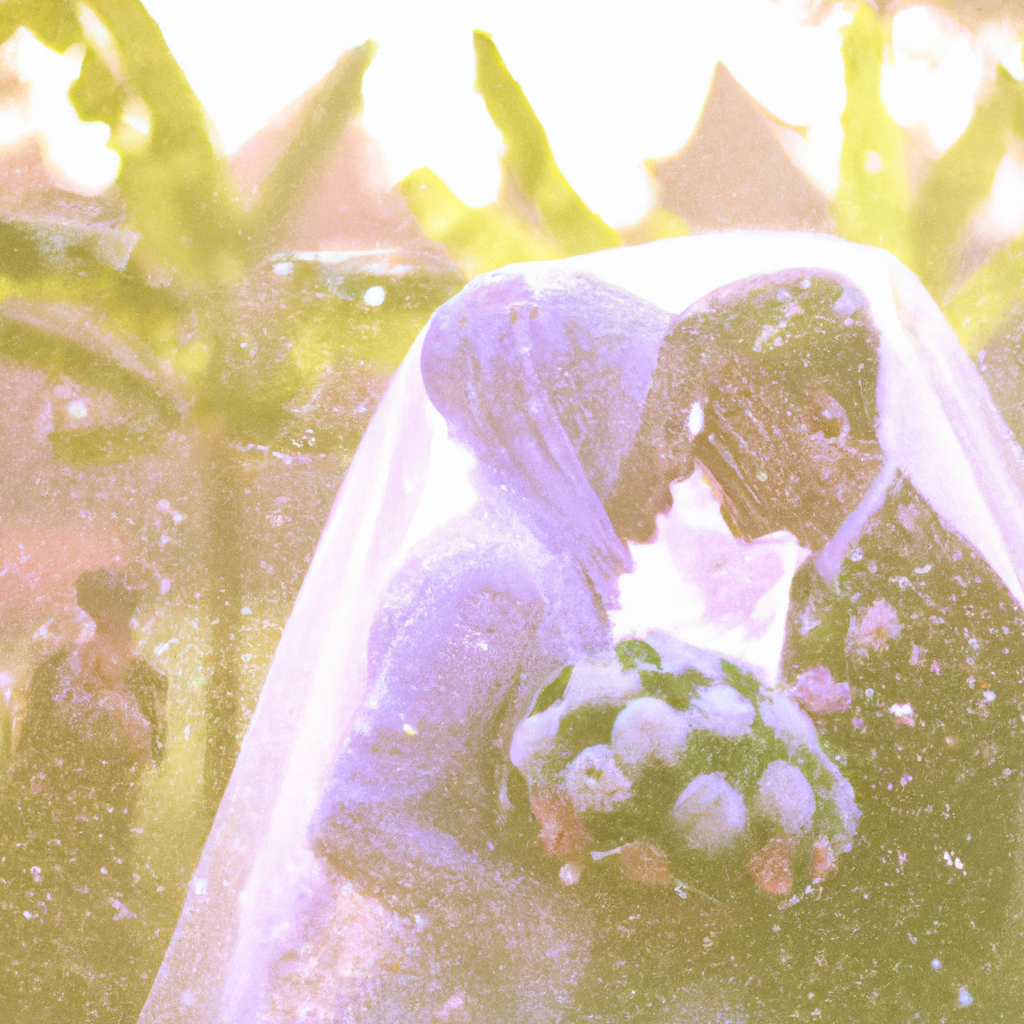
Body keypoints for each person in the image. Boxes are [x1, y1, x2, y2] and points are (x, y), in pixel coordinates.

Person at [138, 234, 1024, 1024]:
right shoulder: (499, 575)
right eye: (670, 419)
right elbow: (360, 813)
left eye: (707, 422)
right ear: (587, 414)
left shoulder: (549, 566)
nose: (685, 460)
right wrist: (570, 929)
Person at [0, 569, 168, 1023]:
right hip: (60, 809)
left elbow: (150, 753)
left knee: (99, 904)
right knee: (67, 908)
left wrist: (113, 698)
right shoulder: (59, 669)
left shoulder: (144, 679)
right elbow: (31, 749)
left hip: (101, 812)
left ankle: (99, 990)